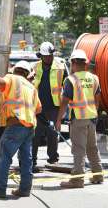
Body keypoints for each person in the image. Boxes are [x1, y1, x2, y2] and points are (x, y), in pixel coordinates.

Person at [0, 61, 42, 198]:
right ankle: (25, 189)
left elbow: (1, 82)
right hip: (29, 126)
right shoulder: (31, 87)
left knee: (4, 158)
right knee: (26, 159)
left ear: (15, 70)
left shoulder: (11, 78)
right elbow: (39, 109)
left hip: (15, 125)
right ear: (27, 73)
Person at [55, 49, 104, 188]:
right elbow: (97, 99)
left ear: (74, 63)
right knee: (92, 148)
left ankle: (77, 179)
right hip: (92, 117)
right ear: (85, 63)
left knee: (78, 150)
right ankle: (98, 174)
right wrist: (94, 113)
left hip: (78, 118)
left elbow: (65, 101)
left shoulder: (71, 79)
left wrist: (59, 119)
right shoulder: (94, 78)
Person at [32, 42, 67, 171]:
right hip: (37, 107)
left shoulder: (60, 67)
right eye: (45, 56)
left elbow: (67, 85)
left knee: (53, 133)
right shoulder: (35, 67)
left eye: (50, 55)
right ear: (41, 56)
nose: (48, 58)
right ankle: (32, 160)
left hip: (54, 106)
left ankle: (53, 159)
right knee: (35, 135)